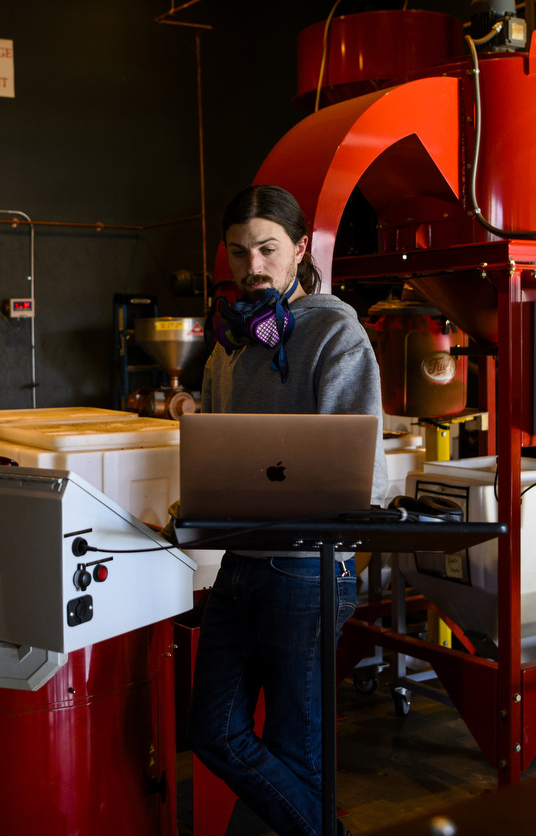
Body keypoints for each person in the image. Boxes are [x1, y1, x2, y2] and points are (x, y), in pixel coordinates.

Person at [188, 184, 387, 836]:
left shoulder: (335, 332)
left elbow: (355, 468)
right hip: (240, 561)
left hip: (306, 568)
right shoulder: (232, 341)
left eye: (269, 249)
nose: (255, 266)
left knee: (297, 752)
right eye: (241, 251)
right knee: (213, 732)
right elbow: (223, 450)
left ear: (300, 250)